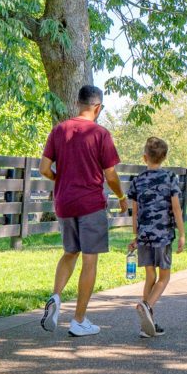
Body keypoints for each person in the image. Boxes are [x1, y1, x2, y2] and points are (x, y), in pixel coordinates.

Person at [39, 85, 128, 337]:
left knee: (69, 252)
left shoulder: (59, 130)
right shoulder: (100, 133)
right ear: (98, 107)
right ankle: (78, 320)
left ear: (78, 103)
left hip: (64, 203)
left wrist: (61, 179)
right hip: (90, 204)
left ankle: (56, 297)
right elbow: (110, 175)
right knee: (90, 260)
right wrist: (121, 196)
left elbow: (44, 168)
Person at [127, 137, 186, 338]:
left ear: (145, 157)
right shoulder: (170, 178)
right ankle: (147, 306)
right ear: (164, 157)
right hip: (163, 236)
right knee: (164, 277)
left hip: (144, 236)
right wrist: (182, 234)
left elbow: (134, 213)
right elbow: (176, 209)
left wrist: (136, 236)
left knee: (150, 277)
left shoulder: (137, 181)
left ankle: (146, 325)